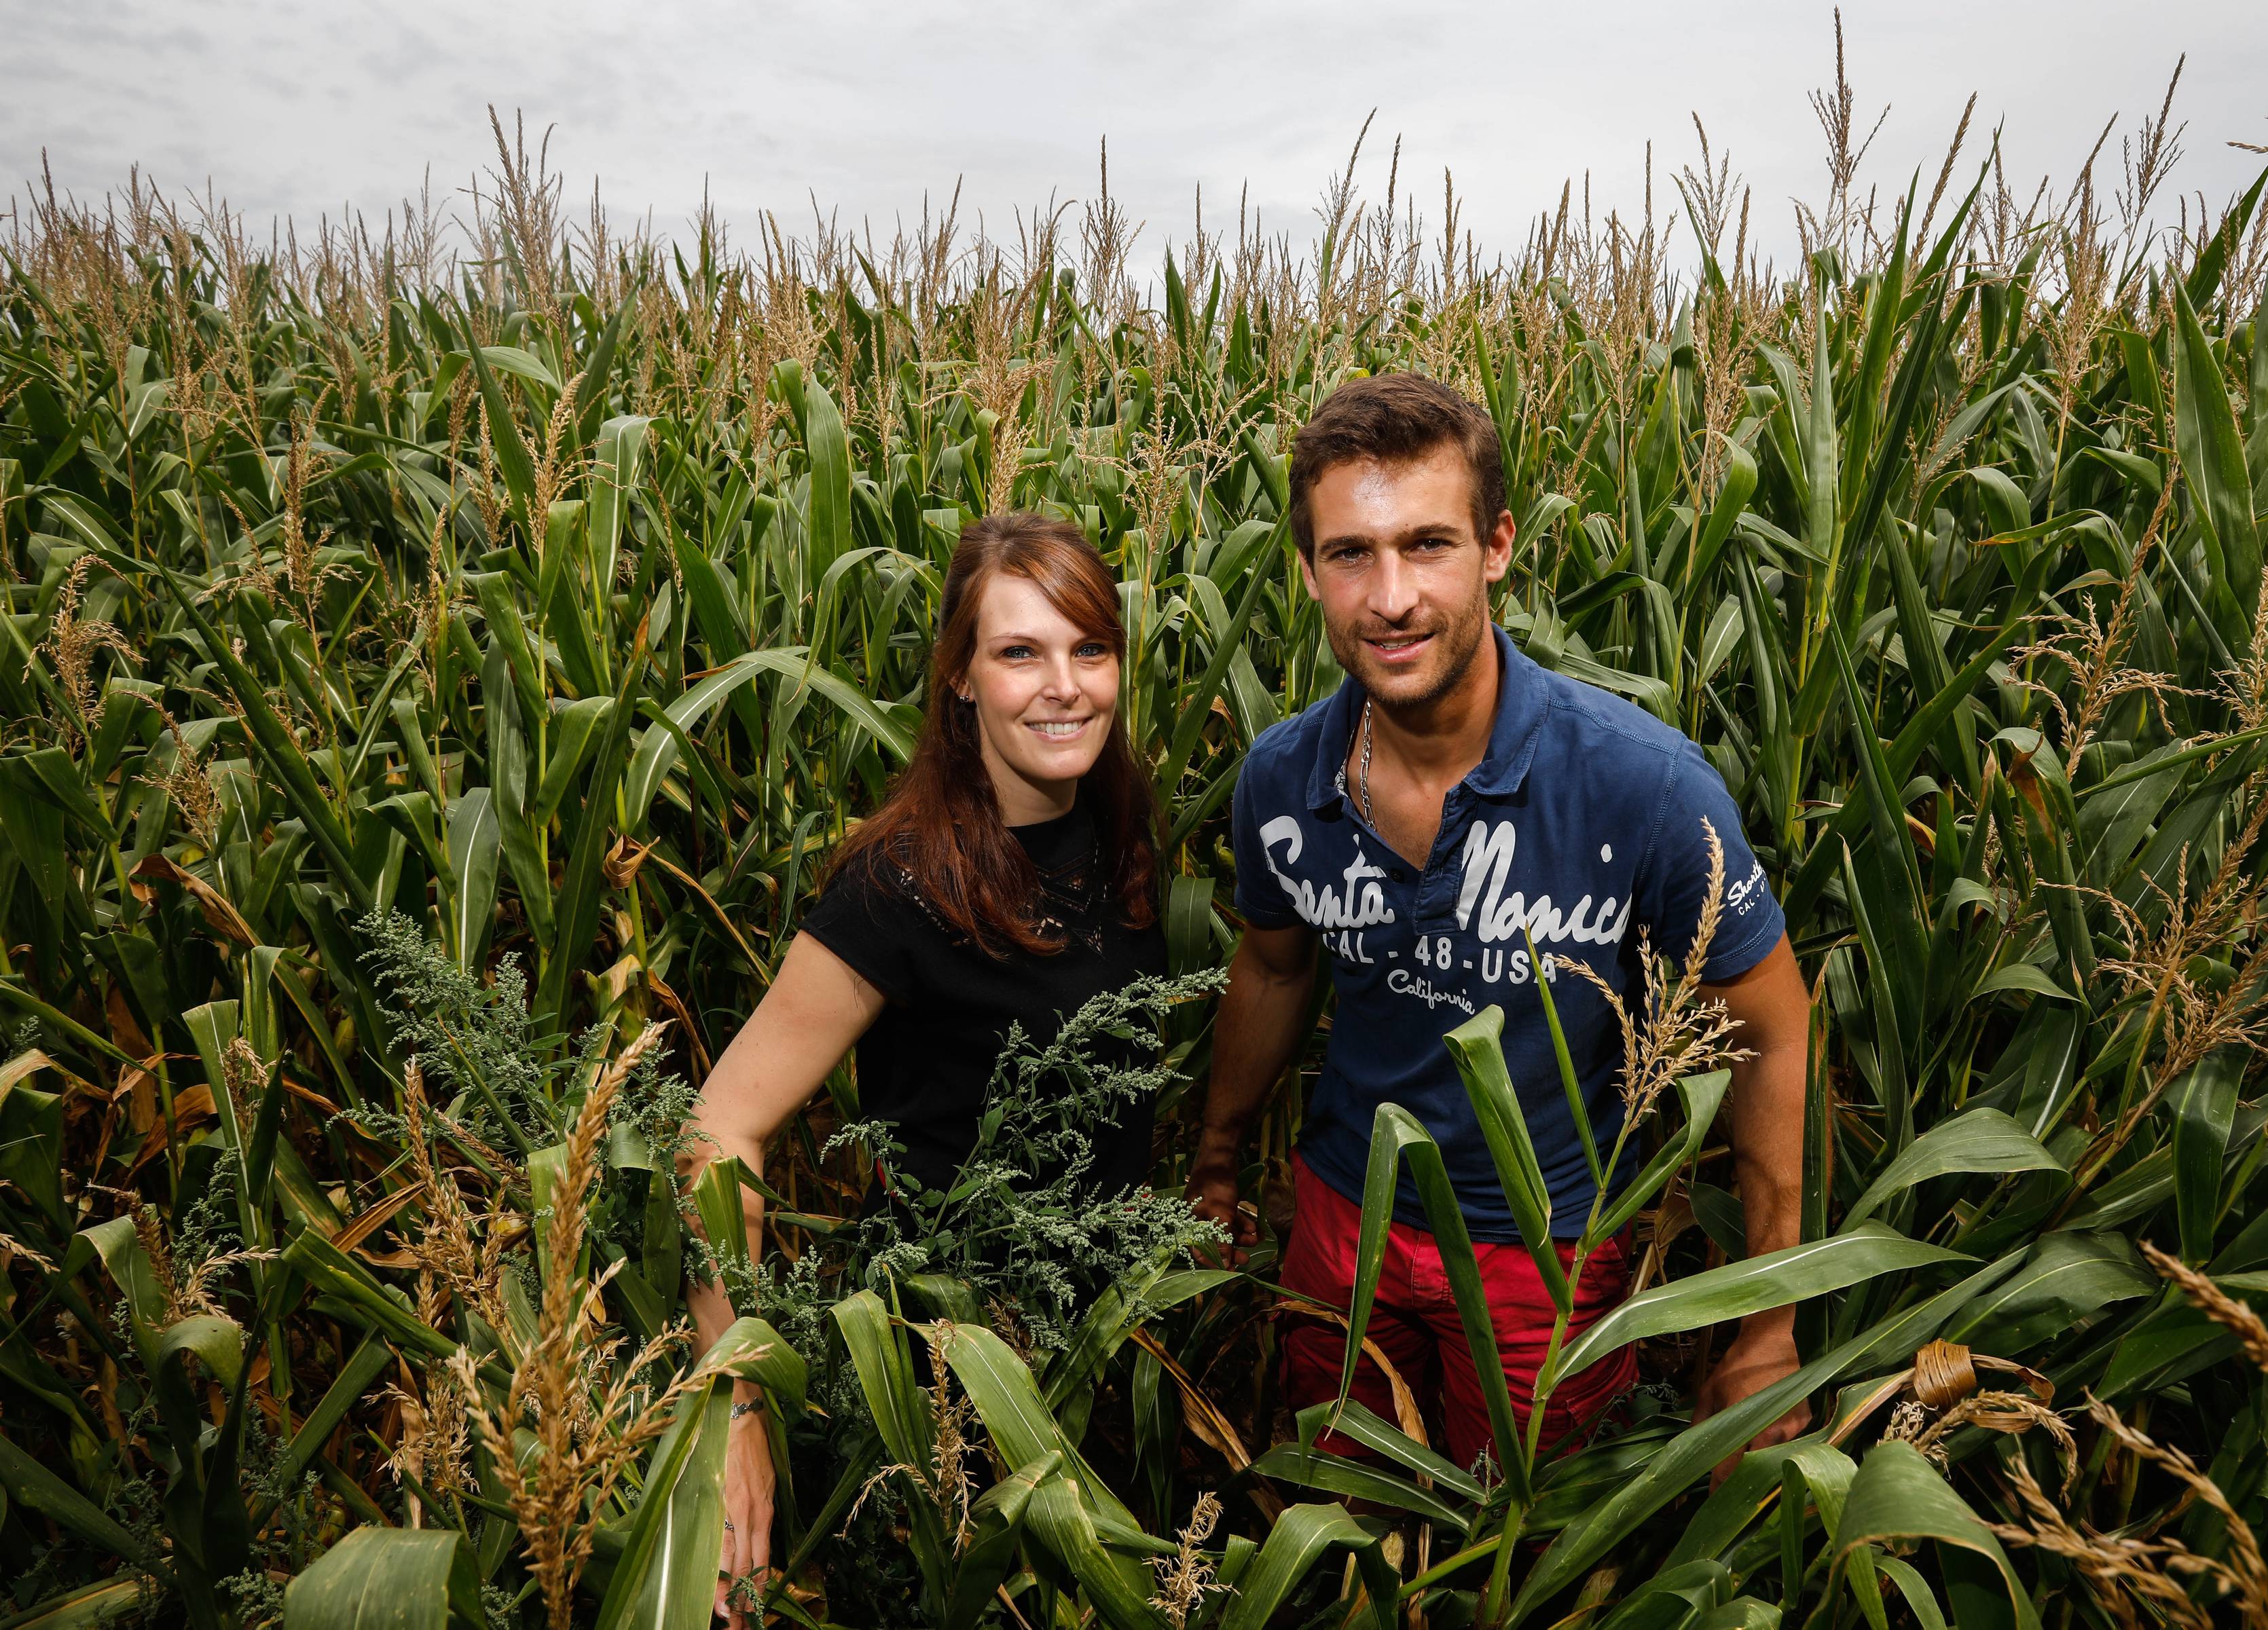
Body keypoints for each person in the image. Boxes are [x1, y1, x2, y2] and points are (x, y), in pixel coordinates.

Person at [1188, 373, 1812, 1477]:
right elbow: (1274, 972)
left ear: (1497, 547)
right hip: (1346, 1217)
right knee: (1337, 1507)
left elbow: (1770, 1028)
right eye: (1350, 553)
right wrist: (1221, 1162)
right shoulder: (1284, 777)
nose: (1390, 597)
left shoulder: (1645, 787)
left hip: (1547, 1249)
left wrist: (1766, 1323)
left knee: (1512, 1537)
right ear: (1307, 572)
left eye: (1428, 543)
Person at [682, 513, 1167, 1617]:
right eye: (1019, 652)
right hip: (953, 1400)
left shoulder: (1123, 832)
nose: (1065, 686)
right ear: (959, 676)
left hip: (1100, 1369)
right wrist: (734, 1410)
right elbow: (718, 1126)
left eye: (1091, 649)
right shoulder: (898, 887)